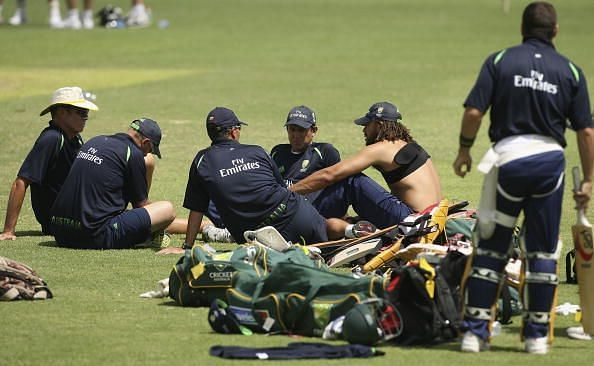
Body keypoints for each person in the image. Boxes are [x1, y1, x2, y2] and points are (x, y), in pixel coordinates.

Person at [452, 2, 594, 354]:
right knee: (543, 251)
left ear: (522, 28)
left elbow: (473, 112)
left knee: (491, 246)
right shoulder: (572, 72)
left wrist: (464, 149)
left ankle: (473, 333)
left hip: (508, 163)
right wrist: (589, 179)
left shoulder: (500, 61)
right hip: (549, 166)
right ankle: (535, 338)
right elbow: (587, 133)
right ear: (556, 31)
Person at [181, 107, 357, 250]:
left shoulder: (201, 160)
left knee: (219, 196)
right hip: (295, 213)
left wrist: (187, 246)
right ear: (234, 132)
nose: (295, 134)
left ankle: (229, 233)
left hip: (258, 232)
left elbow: (197, 208)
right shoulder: (258, 151)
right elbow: (281, 188)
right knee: (326, 234)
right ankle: (353, 231)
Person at [289, 101, 442, 234]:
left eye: (367, 125)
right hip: (433, 219)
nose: (364, 130)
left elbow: (331, 174)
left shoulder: (382, 148)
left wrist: (288, 192)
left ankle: (301, 221)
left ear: (379, 125)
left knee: (350, 179)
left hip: (413, 221)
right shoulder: (408, 145)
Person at [49, 118, 176, 249]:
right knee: (167, 209)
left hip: (60, 232)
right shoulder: (133, 153)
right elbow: (140, 206)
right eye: (150, 150)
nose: (147, 154)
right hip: (93, 235)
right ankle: (145, 238)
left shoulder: (95, 141)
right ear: (146, 142)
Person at [0, 86, 98, 241]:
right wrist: (8, 230)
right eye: (81, 112)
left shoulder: (75, 138)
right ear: (61, 112)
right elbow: (21, 182)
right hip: (60, 220)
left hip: (75, 213)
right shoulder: (52, 139)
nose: (85, 117)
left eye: (86, 112)